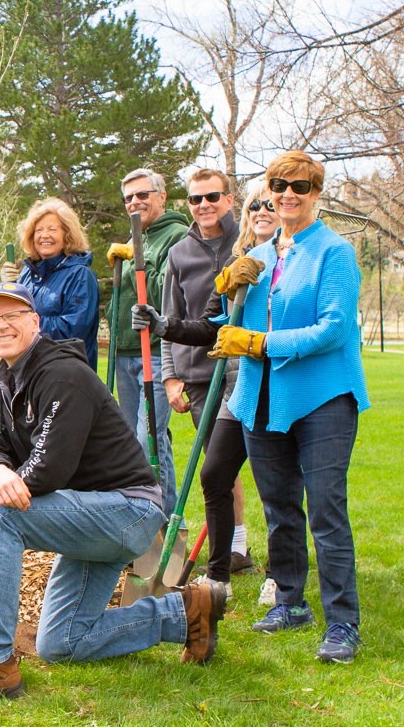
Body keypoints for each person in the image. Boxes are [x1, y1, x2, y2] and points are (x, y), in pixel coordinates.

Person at [0, 282, 226, 699]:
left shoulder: (63, 374)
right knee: (62, 642)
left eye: (11, 316)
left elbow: (51, 468)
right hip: (90, 511)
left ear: (35, 322)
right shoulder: (8, 381)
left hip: (127, 510)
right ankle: (184, 612)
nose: (1, 325)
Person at [211, 151, 369, 664]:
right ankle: (290, 602)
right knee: (279, 507)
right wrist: (227, 291)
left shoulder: (334, 252)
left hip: (323, 397)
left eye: (300, 186)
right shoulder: (260, 255)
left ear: (316, 193)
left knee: (325, 509)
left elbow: (333, 329)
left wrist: (261, 344)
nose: (288, 194)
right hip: (260, 398)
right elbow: (232, 324)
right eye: (279, 185)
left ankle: (342, 622)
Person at [134, 181, 278, 597]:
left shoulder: (279, 252)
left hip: (271, 377)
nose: (203, 204)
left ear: (229, 201)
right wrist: (165, 335)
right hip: (215, 378)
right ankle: (221, 571)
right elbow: (205, 322)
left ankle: (276, 573)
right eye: (195, 198)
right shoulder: (202, 254)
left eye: (212, 196)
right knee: (216, 472)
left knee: (274, 477)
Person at [107, 168, 189, 518]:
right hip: (126, 352)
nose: (135, 202)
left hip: (156, 352)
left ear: (162, 196)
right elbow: (121, 303)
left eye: (143, 195)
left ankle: (161, 519)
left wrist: (138, 260)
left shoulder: (177, 236)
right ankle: (149, 513)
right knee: (133, 441)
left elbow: (164, 294)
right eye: (128, 198)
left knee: (148, 439)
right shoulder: (135, 236)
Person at [0, 197, 100, 364]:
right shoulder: (27, 274)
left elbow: (73, 330)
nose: (44, 235)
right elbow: (8, 315)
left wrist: (26, 323)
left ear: (67, 235)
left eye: (52, 229)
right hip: (28, 367)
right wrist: (6, 287)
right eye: (38, 230)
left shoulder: (81, 275)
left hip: (65, 369)